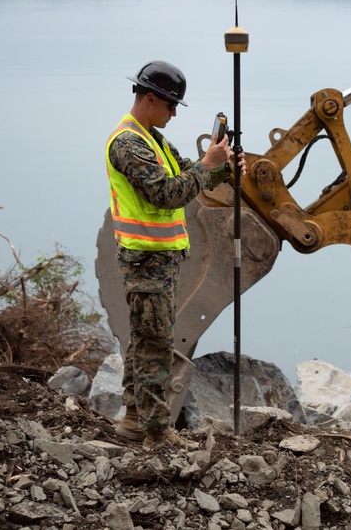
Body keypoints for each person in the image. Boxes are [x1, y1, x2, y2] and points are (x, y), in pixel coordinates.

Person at [105, 59, 242, 449]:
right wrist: (208, 166)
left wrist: (223, 167)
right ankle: (156, 433)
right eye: (170, 105)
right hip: (146, 259)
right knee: (154, 345)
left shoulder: (152, 139)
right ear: (150, 98)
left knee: (144, 338)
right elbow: (167, 193)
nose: (174, 112)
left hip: (158, 259)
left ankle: (133, 419)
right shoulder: (128, 143)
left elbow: (188, 173)